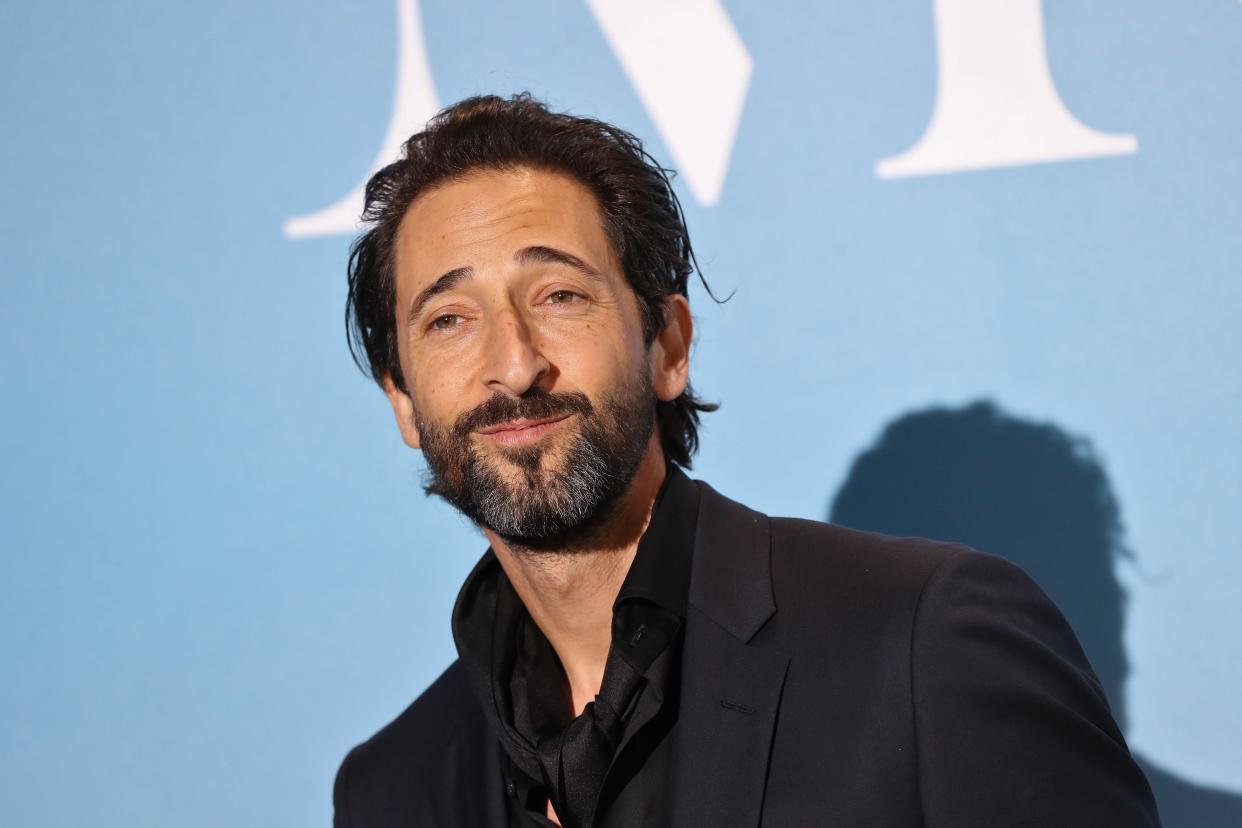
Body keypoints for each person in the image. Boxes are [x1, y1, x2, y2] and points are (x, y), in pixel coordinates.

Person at [332, 93, 1161, 827]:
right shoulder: (393, 788)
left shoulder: (923, 644)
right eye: (449, 318)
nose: (514, 365)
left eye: (560, 296)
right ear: (403, 400)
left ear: (668, 346)